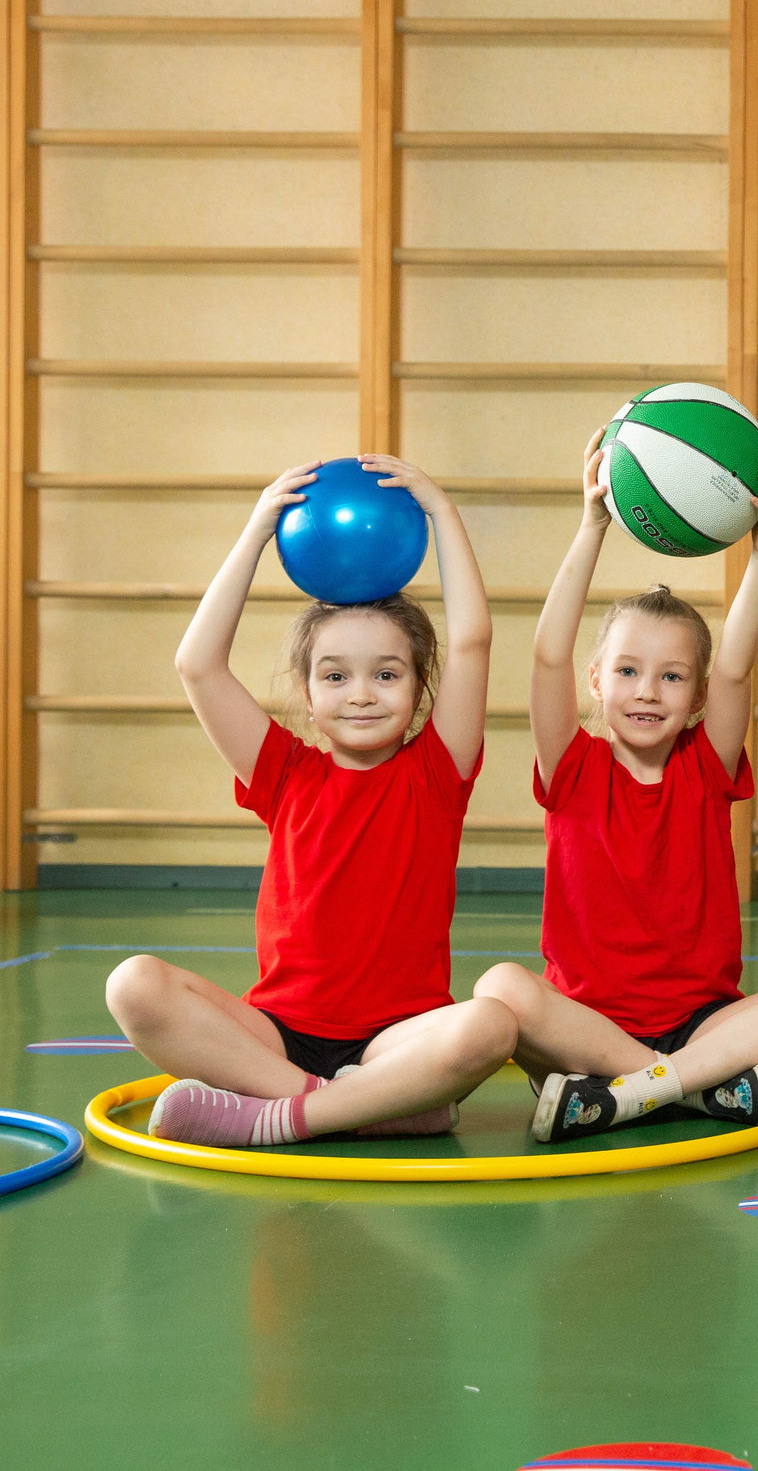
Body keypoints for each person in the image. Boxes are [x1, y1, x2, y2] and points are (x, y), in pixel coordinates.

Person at [107, 458, 516, 1146]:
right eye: (337, 675)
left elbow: (474, 638)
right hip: (277, 1037)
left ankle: (285, 1115)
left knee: (494, 1022)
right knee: (133, 985)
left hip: (395, 1040)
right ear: (308, 692)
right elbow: (197, 664)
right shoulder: (284, 772)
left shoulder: (439, 771)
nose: (361, 692)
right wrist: (256, 533)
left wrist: (442, 510)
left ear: (421, 689)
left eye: (386, 674)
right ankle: (353, 1105)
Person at [473, 432, 758, 1142]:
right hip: (589, 1022)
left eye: (672, 676)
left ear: (699, 694)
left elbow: (737, 667)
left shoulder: (705, 765)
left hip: (708, 1023)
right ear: (595, 679)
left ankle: (624, 1092)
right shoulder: (573, 766)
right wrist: (592, 526)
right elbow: (547, 652)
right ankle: (686, 1086)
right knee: (500, 989)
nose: (647, 691)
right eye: (626, 672)